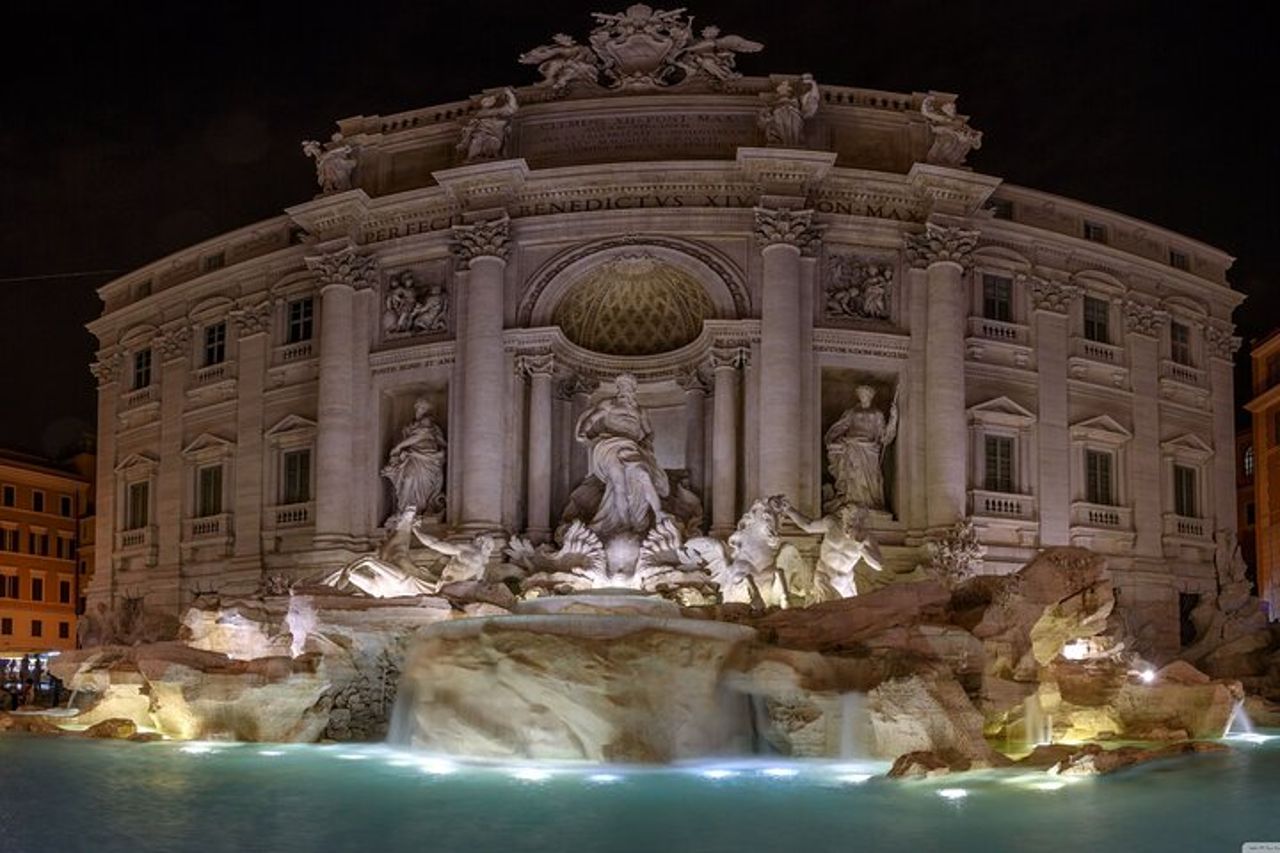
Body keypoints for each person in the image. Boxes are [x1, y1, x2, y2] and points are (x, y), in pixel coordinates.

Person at [574, 373, 669, 537]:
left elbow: (649, 433)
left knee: (644, 474)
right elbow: (591, 419)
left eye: (630, 386)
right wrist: (583, 432)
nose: (626, 389)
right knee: (619, 484)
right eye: (623, 386)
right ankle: (625, 525)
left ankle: (659, 513)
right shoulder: (609, 404)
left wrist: (646, 441)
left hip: (631, 447)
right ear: (618, 388)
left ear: (634, 389)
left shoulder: (640, 411)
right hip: (609, 446)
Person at [825, 384, 899, 511]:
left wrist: (893, 418)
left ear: (871, 396)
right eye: (862, 394)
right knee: (854, 474)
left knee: (871, 477)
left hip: (870, 449)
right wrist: (832, 440)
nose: (864, 397)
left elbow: (884, 436)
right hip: (853, 446)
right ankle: (854, 502)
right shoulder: (851, 412)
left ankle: (870, 503)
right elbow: (840, 427)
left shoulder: (877, 414)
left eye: (866, 394)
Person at [381, 399, 447, 519]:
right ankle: (405, 510)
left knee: (424, 486)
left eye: (421, 408)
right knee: (408, 478)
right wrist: (400, 451)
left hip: (427, 459)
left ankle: (419, 511)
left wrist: (399, 446)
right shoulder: (410, 426)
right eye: (417, 408)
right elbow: (409, 439)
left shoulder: (429, 423)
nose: (418, 411)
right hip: (412, 457)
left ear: (427, 411)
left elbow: (420, 436)